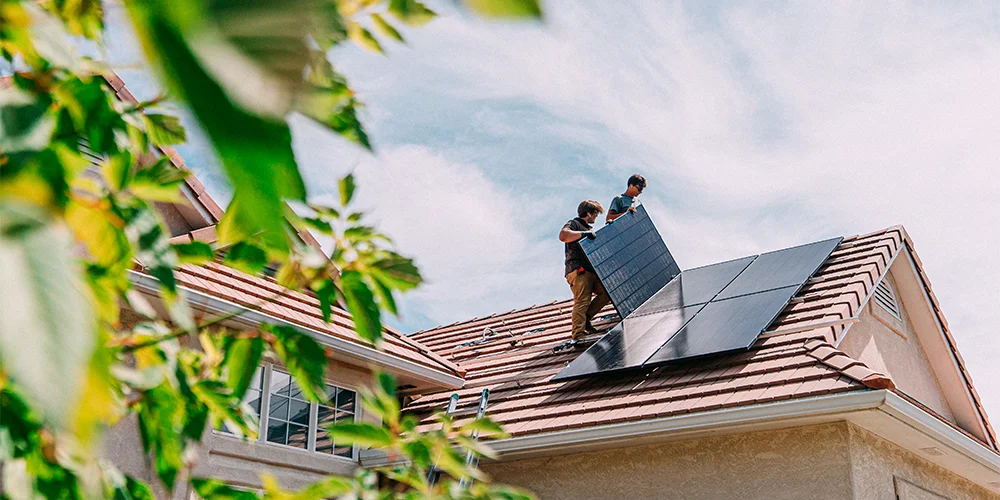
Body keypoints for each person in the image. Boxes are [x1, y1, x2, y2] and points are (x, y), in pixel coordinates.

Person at [559, 200, 611, 340]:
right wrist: (583, 234)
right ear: (588, 213)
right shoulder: (574, 224)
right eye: (595, 214)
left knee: (606, 293)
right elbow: (563, 236)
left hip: (591, 271)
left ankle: (586, 319)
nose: (596, 217)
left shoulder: (588, 229)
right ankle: (578, 335)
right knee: (582, 300)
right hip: (578, 270)